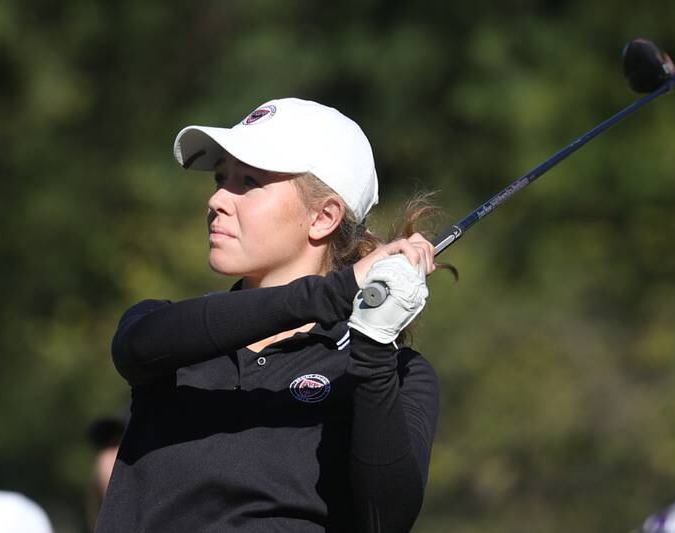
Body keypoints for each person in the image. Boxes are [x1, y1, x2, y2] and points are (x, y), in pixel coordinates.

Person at [96, 97, 441, 532]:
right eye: (222, 179)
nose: (218, 199)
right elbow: (137, 348)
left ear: (323, 217)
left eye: (249, 182)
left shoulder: (399, 372)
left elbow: (384, 519)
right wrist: (339, 290)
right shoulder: (174, 336)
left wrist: (372, 347)